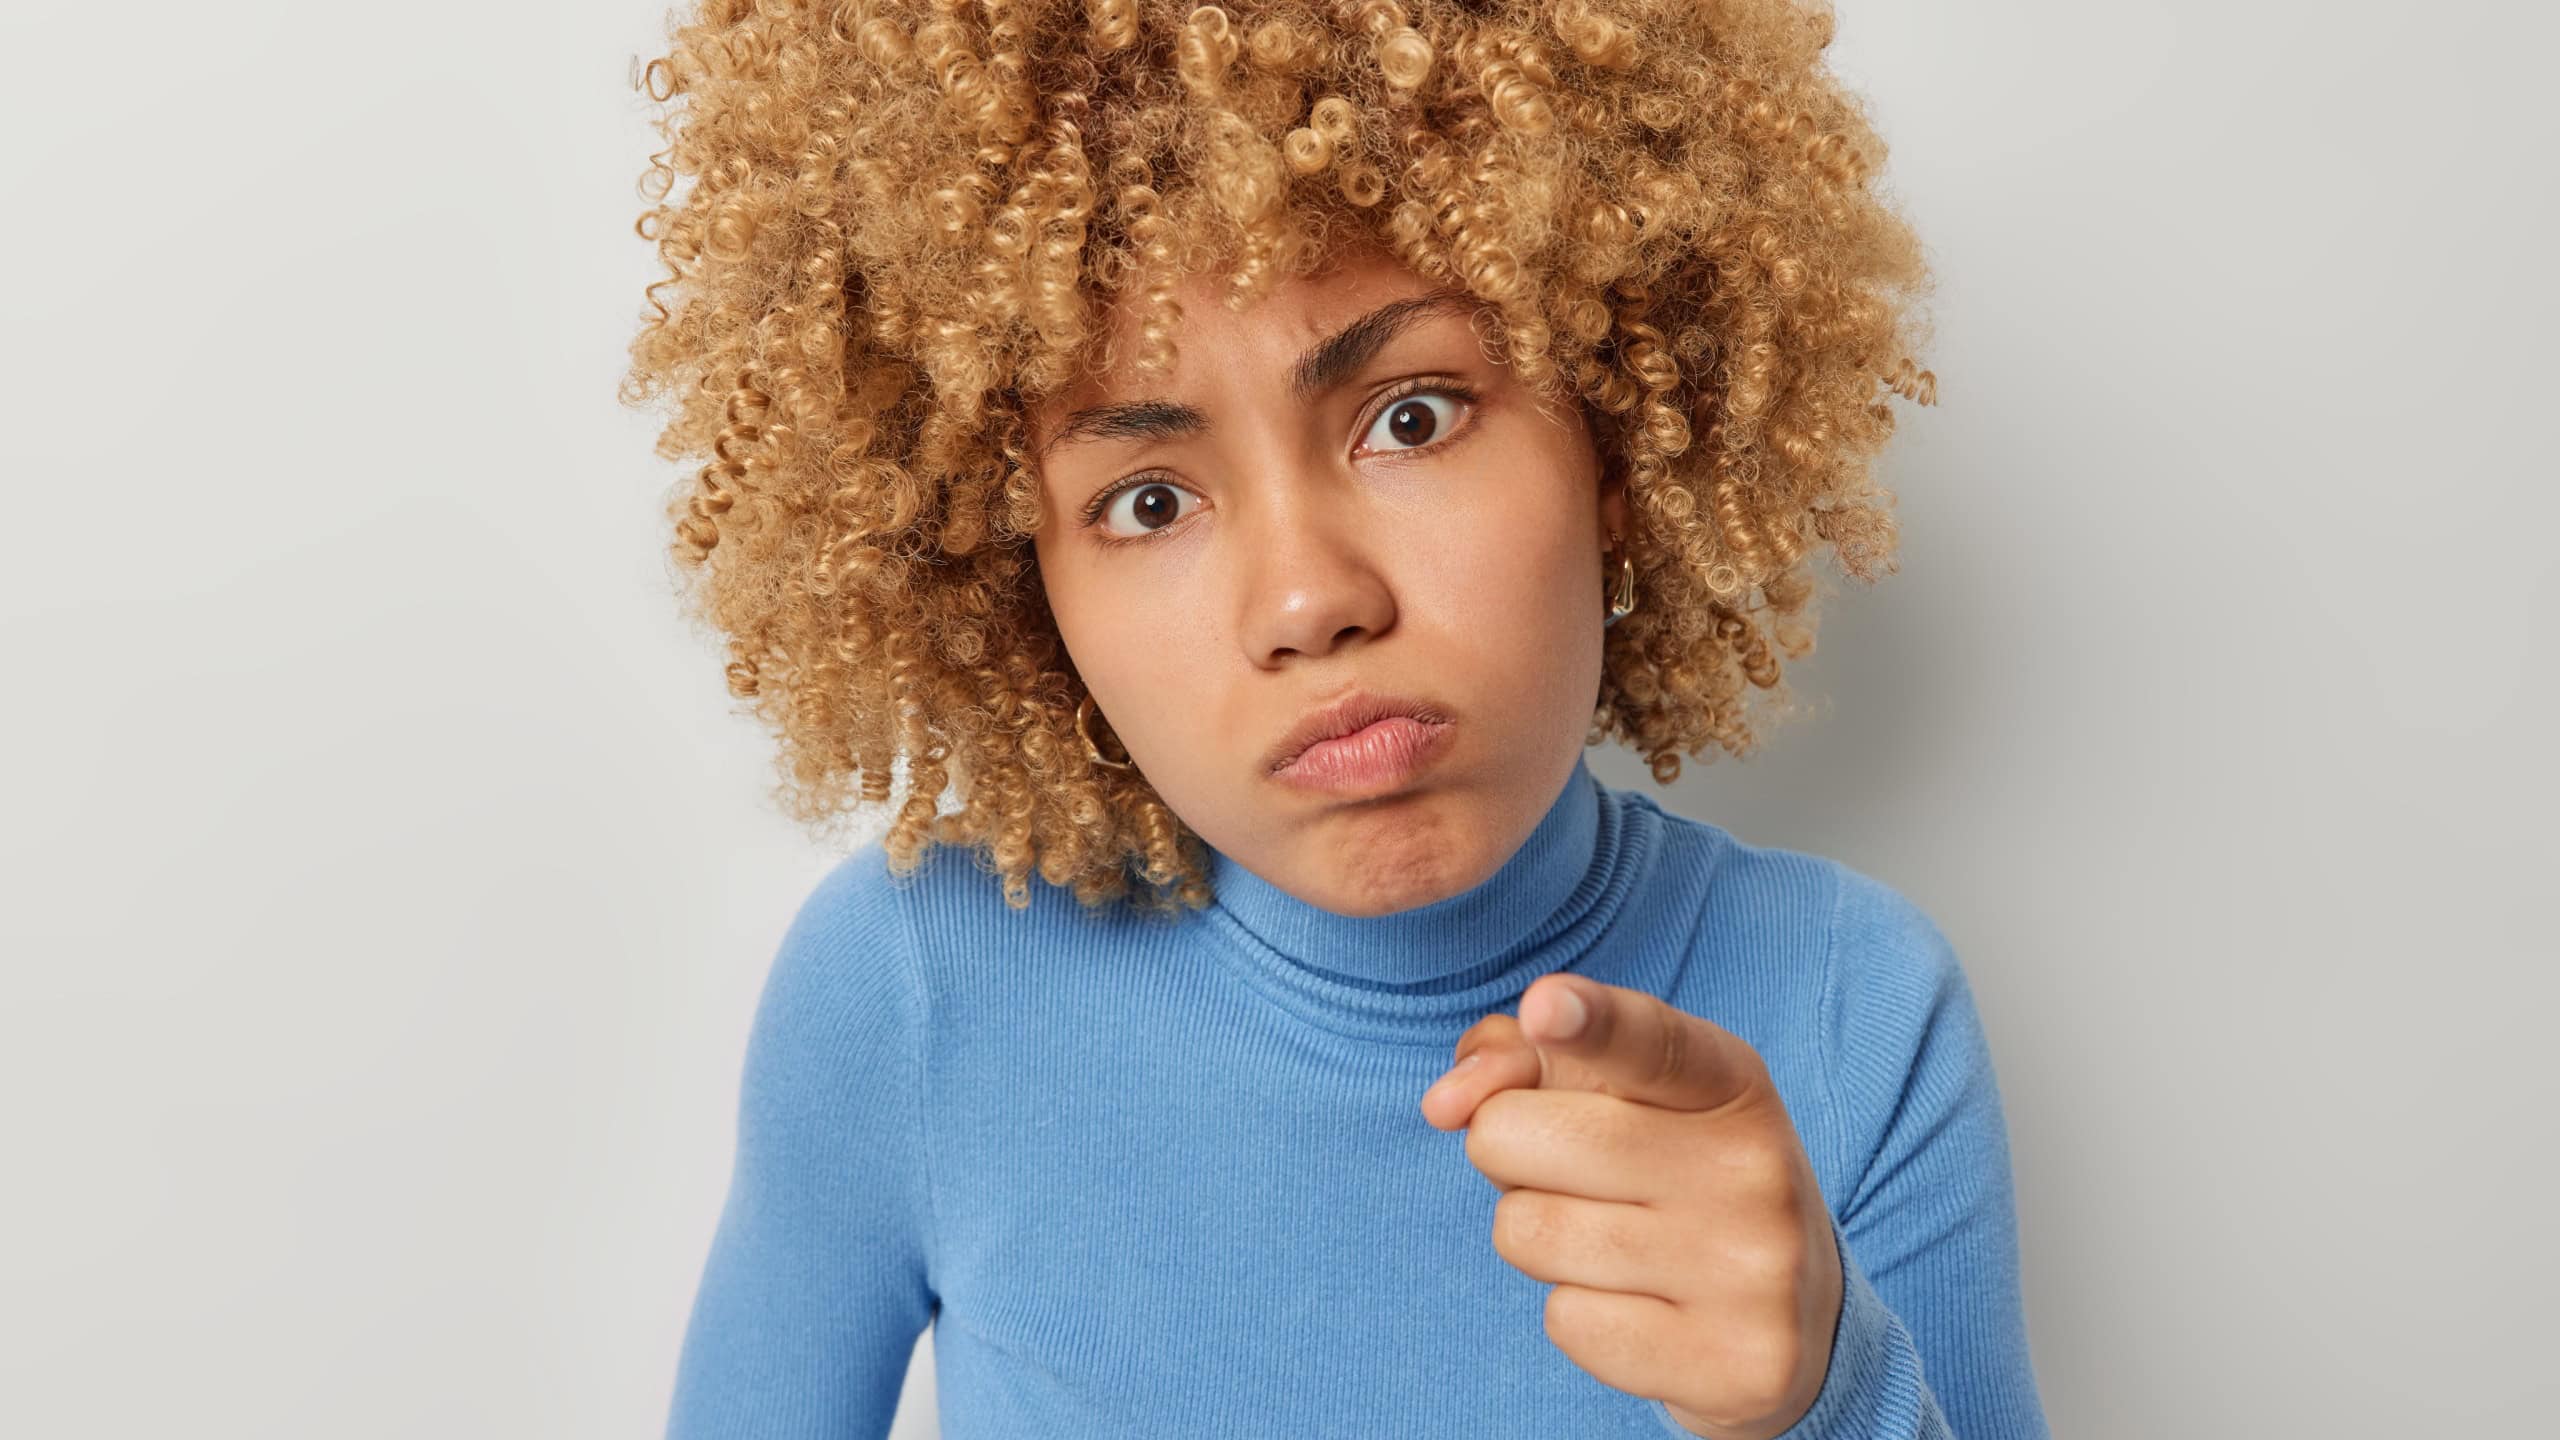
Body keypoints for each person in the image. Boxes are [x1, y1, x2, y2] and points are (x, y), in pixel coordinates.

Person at [622, 2, 2045, 1437]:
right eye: (1150, 502)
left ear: (1612, 436)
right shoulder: (914, 988)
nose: (1308, 600)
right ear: (1014, 593)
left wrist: (1828, 1395)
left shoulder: (1857, 1009)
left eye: (1412, 418)